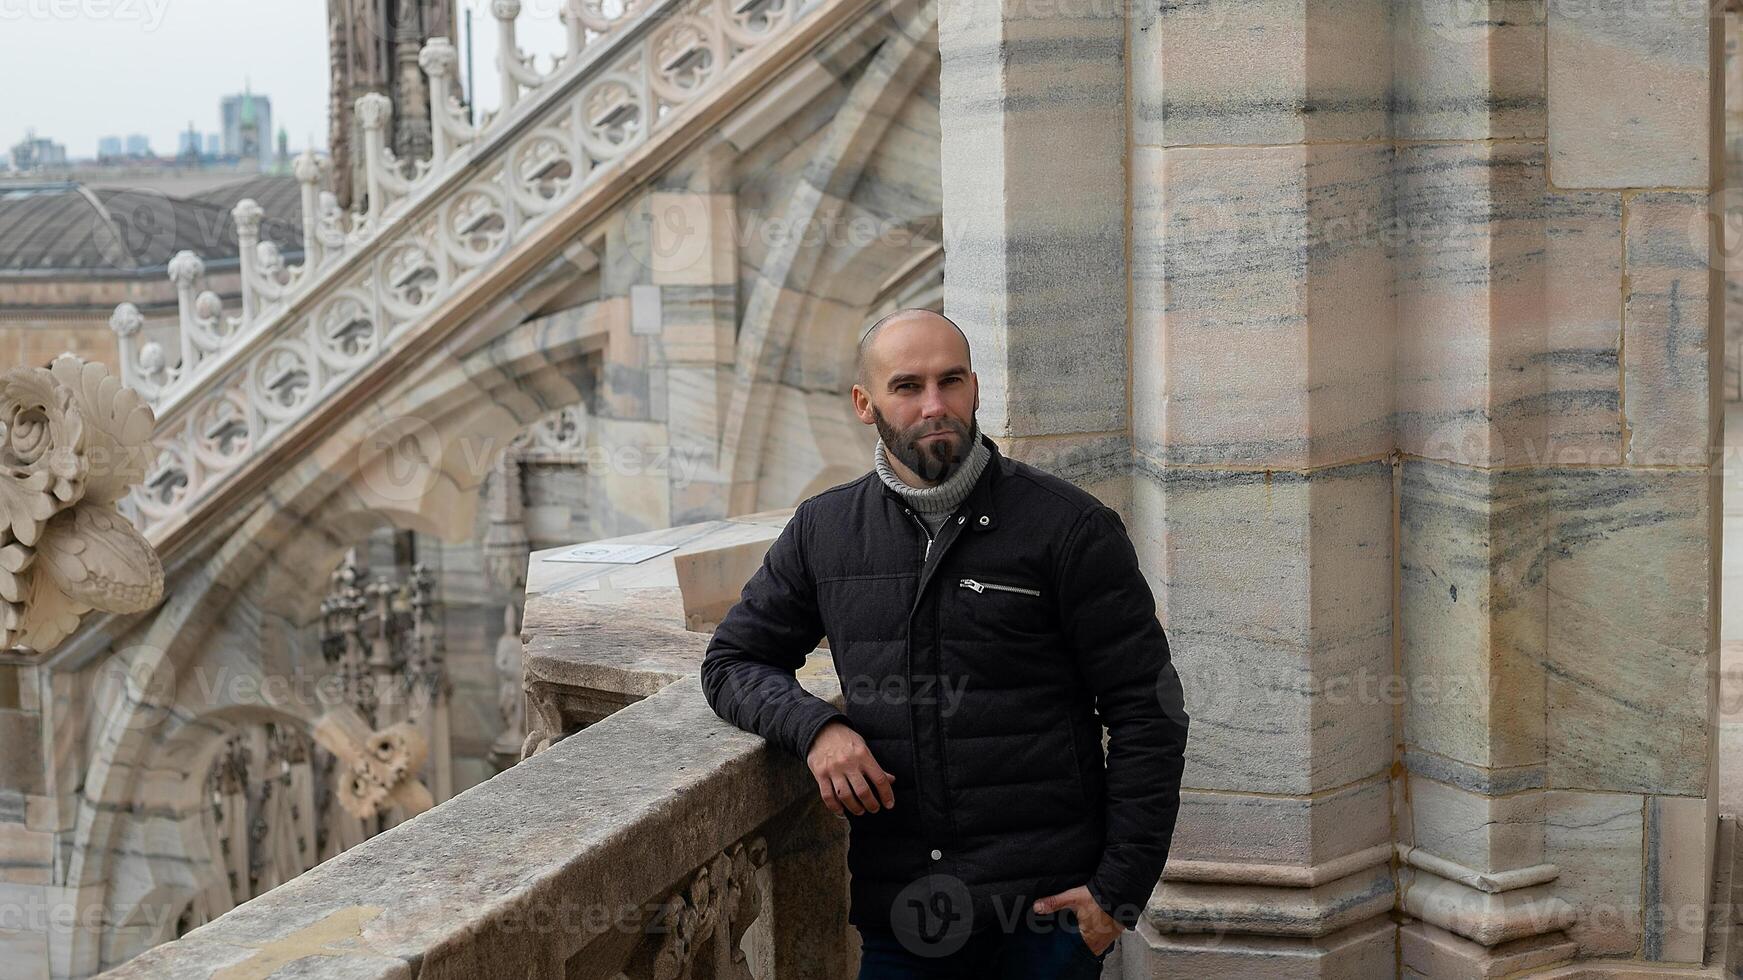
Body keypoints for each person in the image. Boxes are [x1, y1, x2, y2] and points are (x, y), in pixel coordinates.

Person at [700, 308, 1189, 978]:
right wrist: (815, 730)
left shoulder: (1068, 527)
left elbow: (1146, 709)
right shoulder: (826, 530)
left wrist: (1118, 893)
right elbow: (732, 661)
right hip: (904, 914)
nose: (934, 405)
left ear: (974, 388)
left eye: (949, 380)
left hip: (1044, 918)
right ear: (864, 404)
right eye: (907, 387)